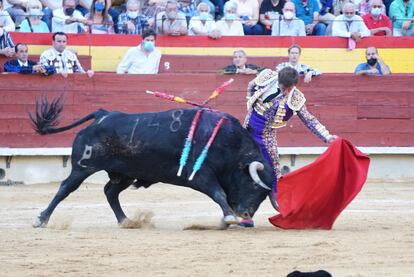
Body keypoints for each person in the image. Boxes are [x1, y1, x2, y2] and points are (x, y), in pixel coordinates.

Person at [241, 67, 336, 227]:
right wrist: (249, 103)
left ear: (293, 86)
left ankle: (283, 209)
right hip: (246, 131)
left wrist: (327, 136)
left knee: (273, 176)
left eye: (286, 88)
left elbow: (309, 120)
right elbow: (251, 85)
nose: (282, 90)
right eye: (281, 86)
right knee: (238, 171)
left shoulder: (296, 98)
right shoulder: (268, 77)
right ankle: (244, 213)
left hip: (266, 138)